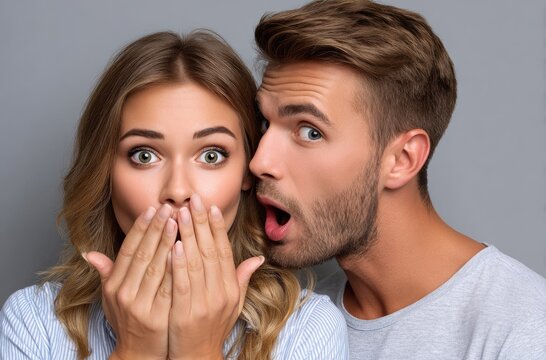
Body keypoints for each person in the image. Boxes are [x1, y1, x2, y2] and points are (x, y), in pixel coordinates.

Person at [0, 30, 348, 359]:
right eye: (144, 155)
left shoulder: (307, 329)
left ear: (246, 170)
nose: (178, 191)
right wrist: (135, 350)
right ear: (105, 171)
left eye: (212, 155)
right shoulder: (34, 322)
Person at [250, 0, 546, 359]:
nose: (259, 161)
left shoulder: (524, 330)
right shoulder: (289, 322)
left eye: (310, 132)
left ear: (402, 160)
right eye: (266, 124)